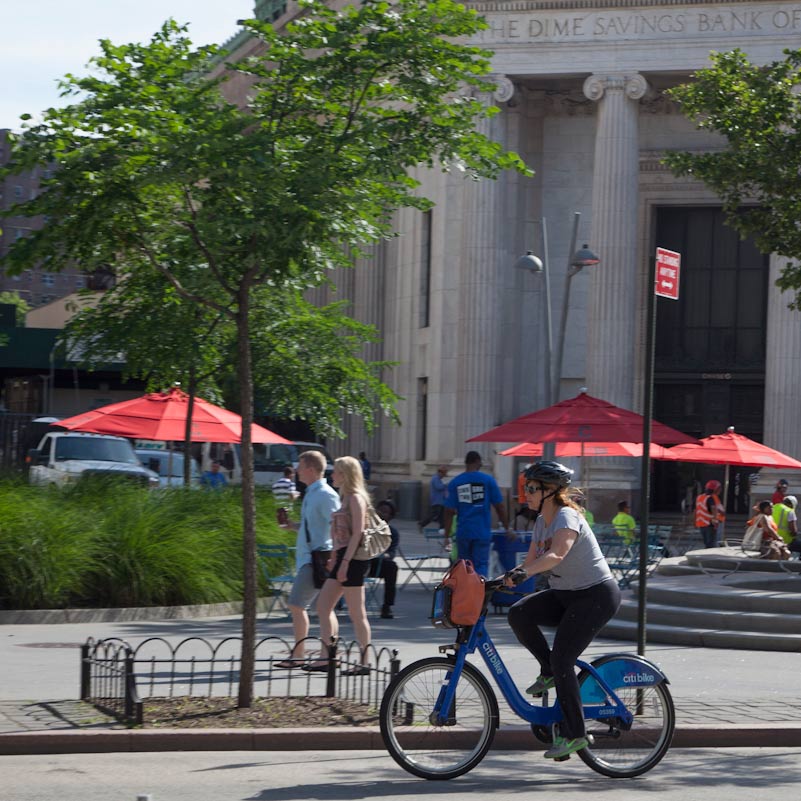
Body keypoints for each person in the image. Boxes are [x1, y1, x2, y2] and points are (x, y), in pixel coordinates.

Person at [504, 461, 621, 761]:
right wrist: (500, 580)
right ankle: (549, 671)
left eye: (531, 488)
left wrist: (525, 574)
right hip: (566, 594)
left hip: (595, 596)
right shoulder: (541, 521)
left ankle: (575, 733)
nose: (526, 493)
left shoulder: (566, 516)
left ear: (551, 491)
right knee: (519, 613)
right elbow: (528, 562)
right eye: (525, 487)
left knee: (563, 658)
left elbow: (556, 555)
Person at [275, 450, 340, 668]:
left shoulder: (325, 494)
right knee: (324, 608)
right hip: (311, 557)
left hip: (318, 559)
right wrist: (292, 526)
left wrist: (332, 555)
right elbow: (314, 526)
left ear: (310, 469)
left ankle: (300, 655)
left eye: (300, 467)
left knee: (296, 605)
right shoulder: (312, 493)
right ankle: (328, 655)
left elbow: (337, 526)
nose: (296, 471)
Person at [313, 456, 373, 675]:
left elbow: (357, 533)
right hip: (341, 559)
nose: (332, 475)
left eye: (336, 471)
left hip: (354, 561)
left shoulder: (356, 499)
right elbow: (341, 534)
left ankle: (364, 662)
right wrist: (334, 557)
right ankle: (328, 656)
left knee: (357, 613)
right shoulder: (344, 498)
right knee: (322, 606)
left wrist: (345, 562)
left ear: (346, 474)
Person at [442, 450, 510, 577]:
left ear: (466, 463)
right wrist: (507, 527)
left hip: (464, 531)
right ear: (477, 462)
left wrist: (447, 535)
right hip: (481, 531)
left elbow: (449, 511)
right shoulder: (488, 480)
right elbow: (499, 506)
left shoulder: (455, 482)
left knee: (465, 566)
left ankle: (467, 594)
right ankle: (480, 592)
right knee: (481, 565)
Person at [369, 499, 400, 619]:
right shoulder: (366, 526)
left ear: (390, 517)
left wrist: (383, 555)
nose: (382, 514)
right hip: (363, 561)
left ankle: (387, 606)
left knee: (392, 567)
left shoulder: (393, 532)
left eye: (386, 512)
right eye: (380, 511)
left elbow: (391, 553)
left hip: (379, 563)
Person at [695, 479, 725, 548]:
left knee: (707, 543)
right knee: (711, 544)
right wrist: (715, 520)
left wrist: (694, 522)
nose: (720, 490)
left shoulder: (699, 497)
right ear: (715, 489)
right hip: (709, 524)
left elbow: (696, 510)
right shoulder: (711, 498)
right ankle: (710, 557)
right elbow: (713, 508)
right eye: (719, 488)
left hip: (701, 523)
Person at [419, 465, 449, 530]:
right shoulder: (435, 478)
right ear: (440, 472)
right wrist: (446, 484)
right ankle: (422, 523)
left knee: (442, 516)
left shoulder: (440, 479)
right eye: (444, 473)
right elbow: (438, 487)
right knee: (434, 515)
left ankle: (442, 528)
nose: (445, 475)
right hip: (436, 501)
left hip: (441, 501)